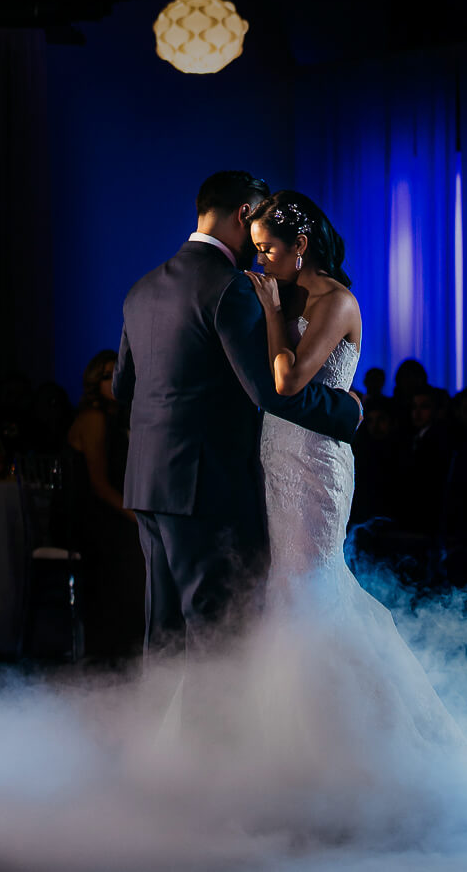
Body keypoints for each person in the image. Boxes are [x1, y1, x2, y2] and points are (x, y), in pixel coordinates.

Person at [244, 190, 467, 836]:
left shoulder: (335, 301)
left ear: (300, 246)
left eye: (267, 249)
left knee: (311, 589)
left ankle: (359, 754)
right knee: (288, 590)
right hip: (278, 453)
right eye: (256, 249)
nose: (260, 261)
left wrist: (270, 313)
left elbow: (288, 382)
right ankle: (292, 753)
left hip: (315, 462)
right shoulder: (291, 296)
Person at [113, 171, 362, 667]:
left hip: (147, 483)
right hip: (205, 484)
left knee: (164, 635)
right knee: (214, 633)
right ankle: (214, 725)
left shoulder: (142, 288)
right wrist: (347, 410)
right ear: (244, 214)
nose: (259, 254)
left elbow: (123, 388)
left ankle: (157, 720)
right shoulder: (231, 288)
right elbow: (272, 392)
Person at [66, 350, 144, 662]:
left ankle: (132, 647)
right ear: (93, 382)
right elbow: (98, 484)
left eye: (118, 374)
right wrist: (136, 516)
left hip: (111, 510)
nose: (114, 382)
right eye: (106, 376)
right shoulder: (93, 418)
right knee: (133, 547)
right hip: (91, 515)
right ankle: (116, 651)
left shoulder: (120, 417)